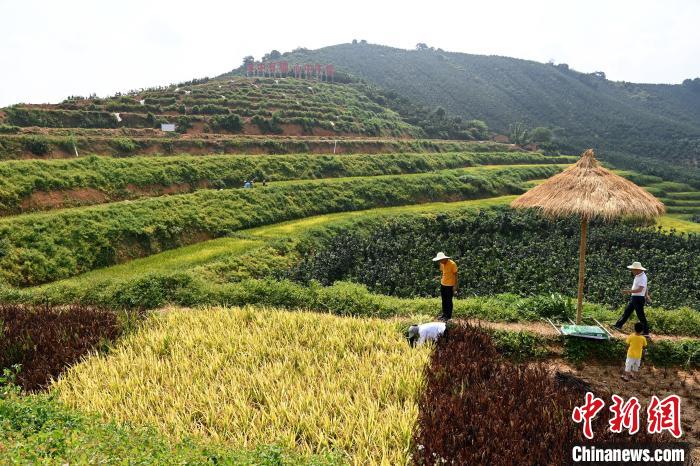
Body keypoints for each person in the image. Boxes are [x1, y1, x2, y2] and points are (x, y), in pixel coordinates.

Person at [614, 261, 650, 335]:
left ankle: (646, 332)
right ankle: (618, 325)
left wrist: (628, 291)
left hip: (638, 298)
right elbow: (645, 287)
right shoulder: (638, 276)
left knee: (640, 315)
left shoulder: (642, 277)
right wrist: (646, 295)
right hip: (635, 297)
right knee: (627, 312)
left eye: (633, 269)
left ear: (638, 270)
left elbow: (640, 289)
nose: (632, 271)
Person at [432, 252, 458, 321]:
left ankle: (448, 316)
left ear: (444, 258)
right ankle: (444, 314)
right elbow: (444, 273)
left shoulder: (452, 264)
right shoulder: (442, 263)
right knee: (444, 300)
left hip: (450, 285)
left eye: (441, 260)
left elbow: (456, 275)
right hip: (443, 284)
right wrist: (438, 278)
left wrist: (455, 286)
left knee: (449, 301)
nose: (440, 261)